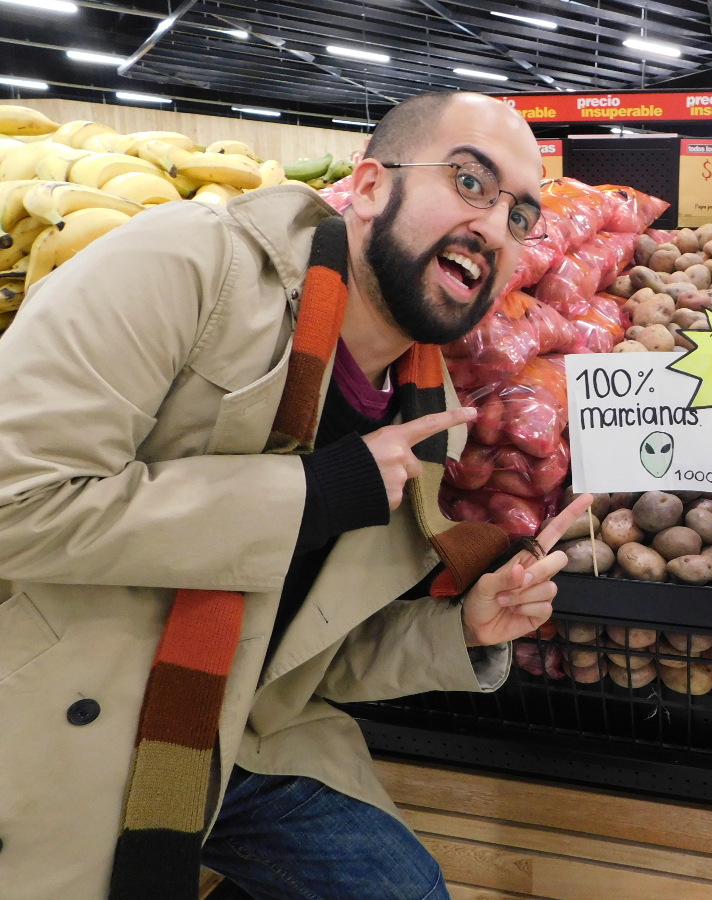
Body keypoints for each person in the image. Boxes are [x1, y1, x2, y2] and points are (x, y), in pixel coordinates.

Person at [0, 91, 591, 900]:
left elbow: (303, 657)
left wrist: (463, 631)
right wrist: (308, 495)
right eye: (469, 182)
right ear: (373, 186)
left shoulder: (429, 418)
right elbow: (14, 502)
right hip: (61, 704)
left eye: (522, 215)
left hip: (240, 735)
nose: (495, 227)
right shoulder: (187, 267)